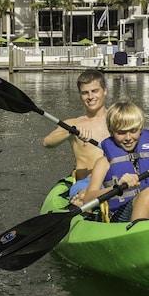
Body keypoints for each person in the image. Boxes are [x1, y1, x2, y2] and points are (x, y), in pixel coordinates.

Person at [42, 69, 110, 199]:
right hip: (85, 183)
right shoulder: (73, 123)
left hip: (115, 177)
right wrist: (71, 130)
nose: (90, 97)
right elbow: (47, 142)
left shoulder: (117, 119)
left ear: (105, 91)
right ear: (80, 95)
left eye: (95, 91)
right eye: (85, 93)